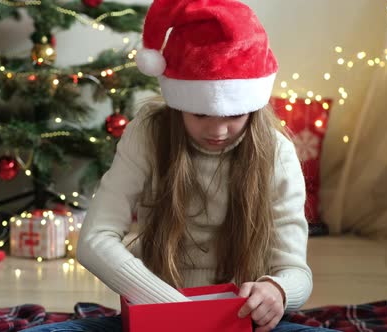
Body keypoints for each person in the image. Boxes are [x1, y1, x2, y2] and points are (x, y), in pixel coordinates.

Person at [24, 0, 336, 331]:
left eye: (234, 116)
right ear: (178, 104)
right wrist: (178, 311)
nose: (217, 131)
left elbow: (296, 273)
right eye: (200, 114)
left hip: (240, 324)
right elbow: (94, 239)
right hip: (158, 316)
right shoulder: (149, 132)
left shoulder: (278, 153)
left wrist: (278, 291)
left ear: (253, 105)